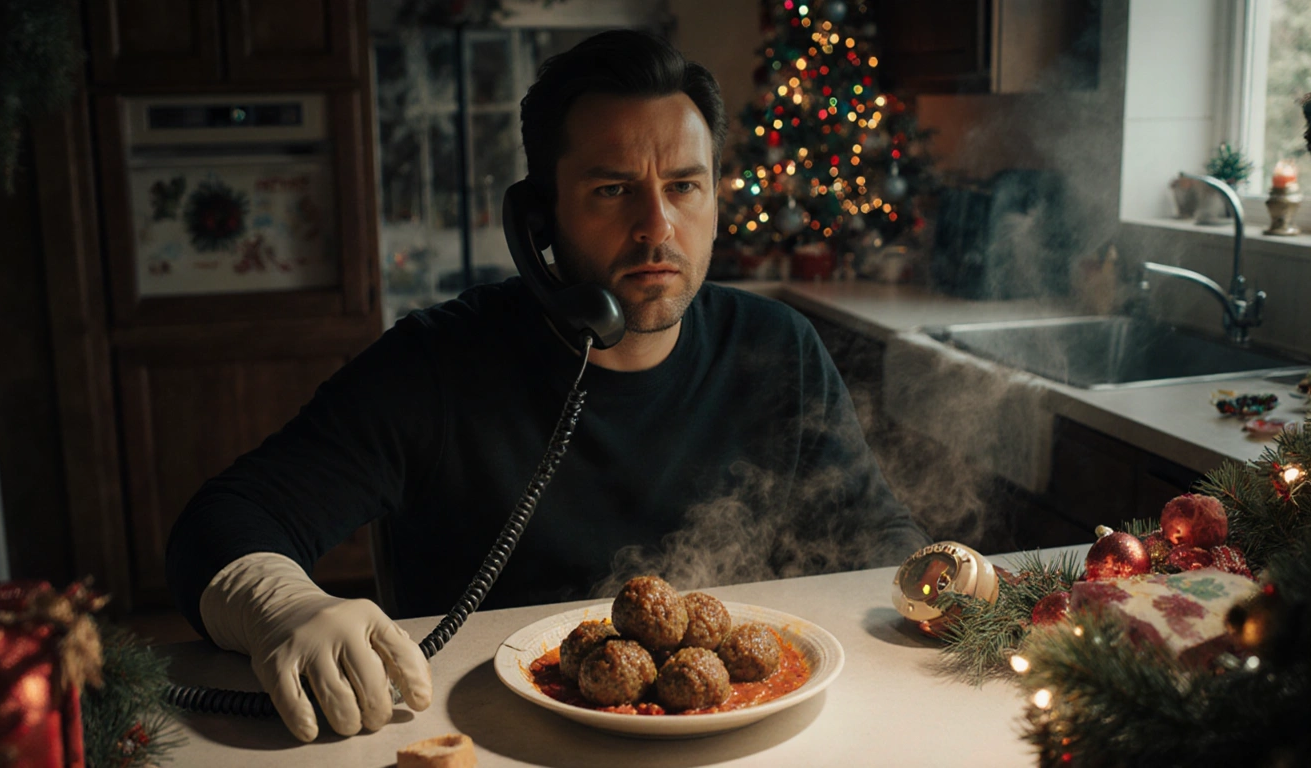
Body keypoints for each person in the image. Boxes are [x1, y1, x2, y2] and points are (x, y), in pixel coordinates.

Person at [164, 29, 930, 743]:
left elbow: (880, 540)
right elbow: (226, 518)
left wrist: (940, 581)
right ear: (540, 218)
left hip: (745, 740)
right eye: (612, 190)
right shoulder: (438, 363)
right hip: (492, 739)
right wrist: (284, 605)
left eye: (685, 186)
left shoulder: (777, 349)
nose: (657, 226)